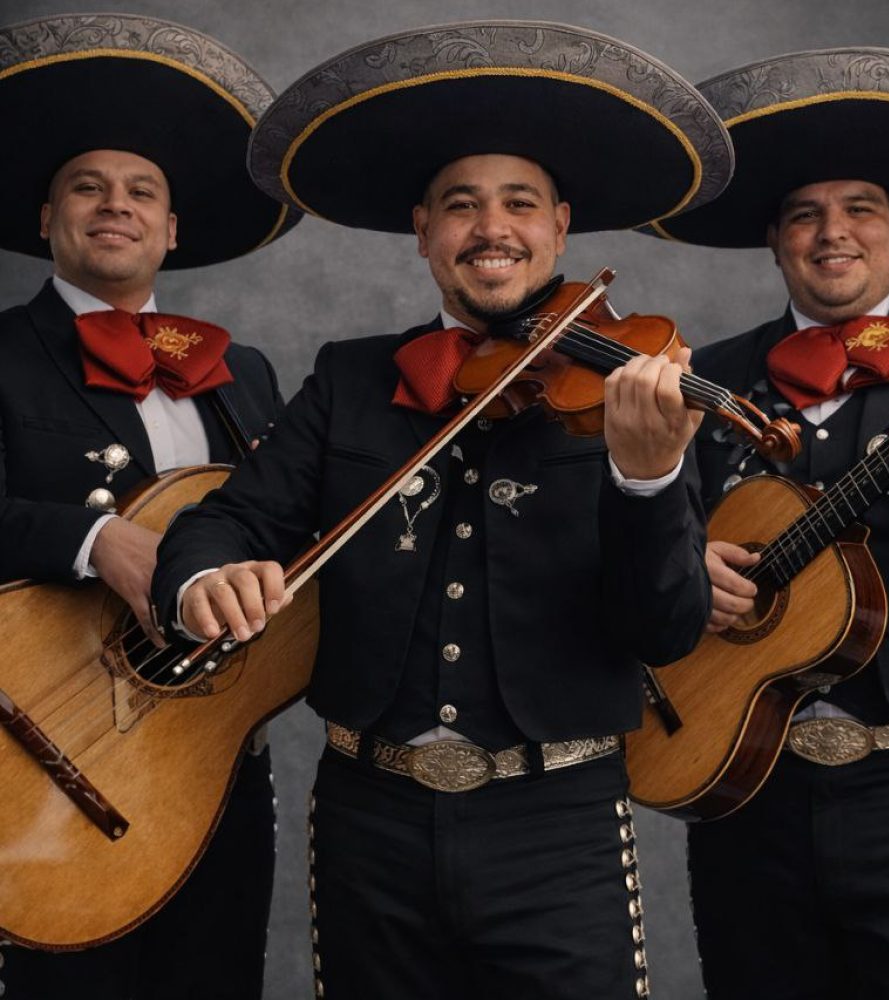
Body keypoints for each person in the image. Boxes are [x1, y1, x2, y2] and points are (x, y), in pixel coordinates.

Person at [152, 21, 733, 999]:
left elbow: (663, 627)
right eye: (460, 206)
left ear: (558, 226)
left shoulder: (638, 389)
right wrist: (204, 573)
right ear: (422, 230)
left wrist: (644, 479)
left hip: (558, 821)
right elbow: (229, 520)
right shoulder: (349, 378)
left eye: (517, 204)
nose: (490, 228)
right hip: (369, 818)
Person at [643, 47, 889, 999]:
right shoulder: (706, 372)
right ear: (774, 239)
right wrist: (690, 570)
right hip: (746, 778)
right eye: (804, 213)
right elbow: (637, 550)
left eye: (859, 209)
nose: (831, 232)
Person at [0, 13, 300, 999]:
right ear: (48, 219)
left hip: (211, 755)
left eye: (142, 193)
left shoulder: (239, 372)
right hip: (48, 751)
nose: (115, 206)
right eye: (88, 187)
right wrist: (93, 537)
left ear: (172, 230)